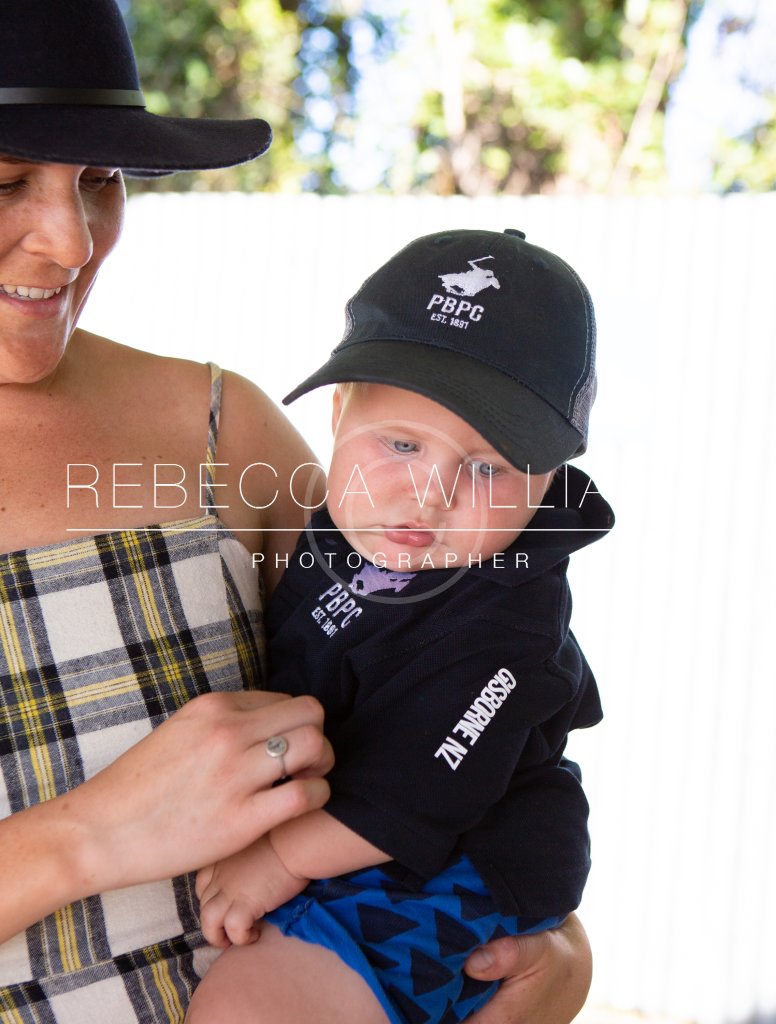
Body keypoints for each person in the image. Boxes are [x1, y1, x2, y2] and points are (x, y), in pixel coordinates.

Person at [0, 2, 593, 1022]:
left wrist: (553, 950)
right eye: (7, 180)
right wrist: (85, 837)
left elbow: (453, 712)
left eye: (100, 177)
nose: (70, 239)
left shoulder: (220, 427)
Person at [188, 229, 613, 1024]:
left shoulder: (507, 621)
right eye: (402, 444)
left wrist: (278, 857)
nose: (428, 494)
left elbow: (418, 793)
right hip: (345, 825)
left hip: (452, 863)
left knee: (250, 1007)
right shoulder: (339, 528)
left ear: (549, 481)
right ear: (339, 415)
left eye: (485, 468)